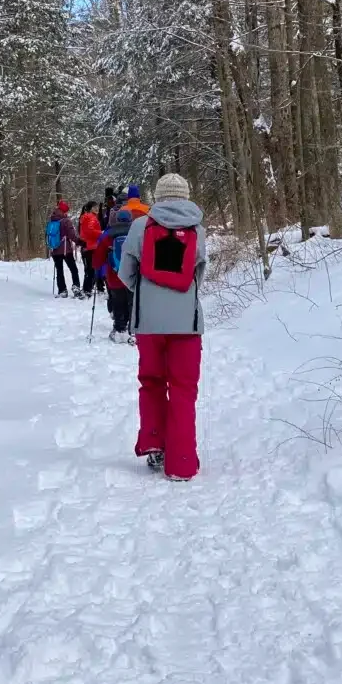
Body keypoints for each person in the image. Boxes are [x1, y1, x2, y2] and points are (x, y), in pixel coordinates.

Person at [117, 173, 207, 481]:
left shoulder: (140, 227)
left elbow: (124, 272)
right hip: (187, 325)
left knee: (152, 381)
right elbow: (198, 274)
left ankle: (155, 444)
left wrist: (145, 294)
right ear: (185, 195)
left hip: (149, 323)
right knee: (183, 390)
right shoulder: (197, 229)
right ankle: (181, 462)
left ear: (158, 196)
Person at [92, 208, 135, 343]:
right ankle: (131, 330)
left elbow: (97, 259)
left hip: (114, 275)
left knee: (117, 301)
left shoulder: (108, 235)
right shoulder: (137, 234)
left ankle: (119, 329)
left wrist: (97, 269)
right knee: (131, 301)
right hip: (132, 276)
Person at [46, 201, 83, 298]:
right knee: (73, 269)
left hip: (55, 249)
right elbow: (72, 235)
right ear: (64, 210)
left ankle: (62, 290)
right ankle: (76, 287)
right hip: (66, 250)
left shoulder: (52, 220)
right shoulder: (66, 221)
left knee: (59, 270)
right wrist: (80, 242)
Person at [78, 201, 103, 296]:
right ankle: (87, 289)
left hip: (86, 246)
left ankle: (87, 288)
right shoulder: (91, 217)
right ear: (90, 208)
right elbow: (90, 230)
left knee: (88, 269)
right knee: (91, 269)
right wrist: (101, 233)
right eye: (94, 207)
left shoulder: (85, 217)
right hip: (91, 246)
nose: (97, 208)